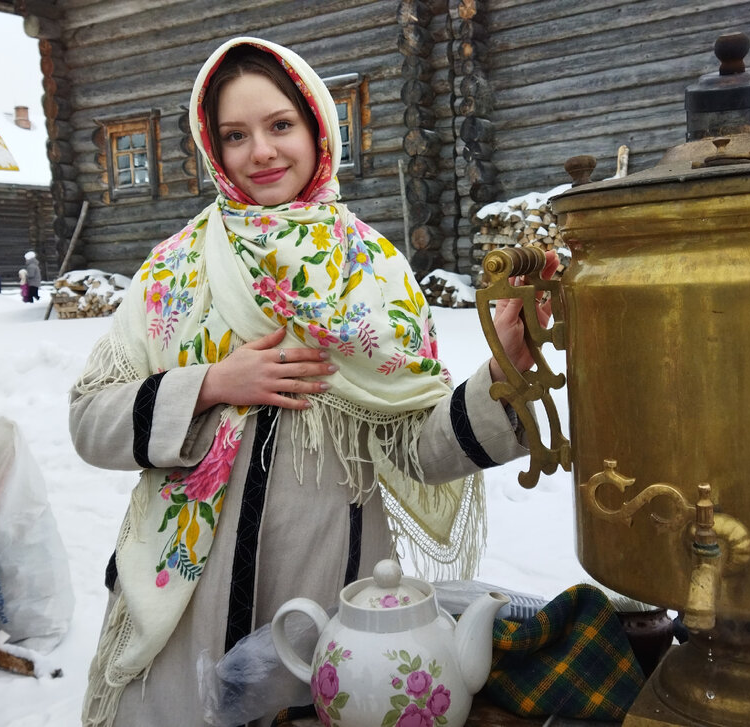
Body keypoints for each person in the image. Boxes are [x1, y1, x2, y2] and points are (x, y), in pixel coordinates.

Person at [69, 38, 555, 727]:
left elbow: (419, 449)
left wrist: (503, 368)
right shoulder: (175, 269)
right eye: (234, 135)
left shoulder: (373, 273)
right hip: (186, 618)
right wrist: (210, 383)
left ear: (318, 128)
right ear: (213, 146)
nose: (260, 152)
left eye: (280, 126)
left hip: (325, 607)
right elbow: (90, 418)